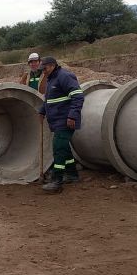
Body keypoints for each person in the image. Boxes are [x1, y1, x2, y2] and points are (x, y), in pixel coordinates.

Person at [37, 56, 84, 194]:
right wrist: (42, 111)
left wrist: (72, 115)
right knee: (64, 148)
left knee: (58, 148)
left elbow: (78, 96)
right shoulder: (51, 79)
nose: (43, 72)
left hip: (66, 120)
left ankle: (56, 181)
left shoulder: (65, 76)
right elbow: (49, 100)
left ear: (52, 65)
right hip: (57, 121)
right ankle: (72, 174)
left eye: (44, 68)